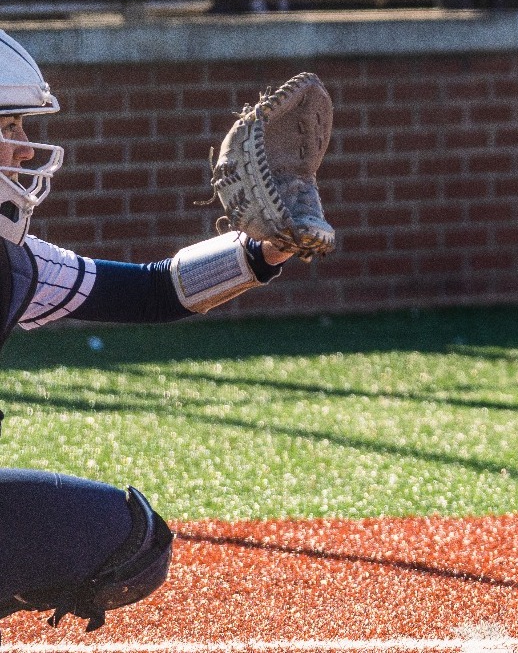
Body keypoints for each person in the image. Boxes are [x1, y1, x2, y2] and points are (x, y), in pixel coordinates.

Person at [0, 30, 305, 629]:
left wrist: (262, 251)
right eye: (10, 129)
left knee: (126, 540)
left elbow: (153, 289)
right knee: (121, 538)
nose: (26, 151)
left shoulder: (14, 267)